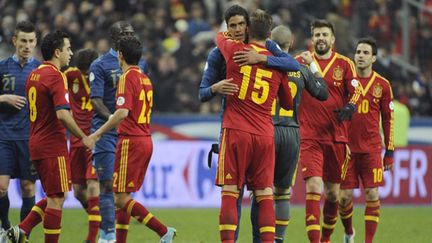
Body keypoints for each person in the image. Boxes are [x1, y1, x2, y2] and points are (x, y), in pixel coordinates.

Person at [198, 4, 299, 242]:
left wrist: (259, 56)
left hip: (236, 130)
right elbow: (287, 102)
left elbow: (219, 37)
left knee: (231, 192)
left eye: (240, 24)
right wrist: (214, 87)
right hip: (264, 133)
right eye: (231, 25)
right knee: (265, 193)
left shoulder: (231, 50)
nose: (235, 29)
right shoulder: (275, 59)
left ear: (248, 26)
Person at [5, 30, 94, 243]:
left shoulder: (33, 75)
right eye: (68, 48)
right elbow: (63, 114)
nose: (71, 53)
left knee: (56, 194)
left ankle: (21, 230)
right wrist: (84, 137)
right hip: (52, 145)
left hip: (36, 142)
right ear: (57, 52)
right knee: (57, 198)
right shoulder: (56, 76)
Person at [242, 25, 329, 243]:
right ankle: (278, 240)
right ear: (291, 44)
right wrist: (313, 65)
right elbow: (323, 92)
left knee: (261, 191)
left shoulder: (261, 64)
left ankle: (259, 239)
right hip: (291, 133)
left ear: (270, 39)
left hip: (265, 130)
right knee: (282, 193)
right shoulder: (298, 68)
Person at [88, 36, 176, 243]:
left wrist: (97, 133)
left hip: (131, 141)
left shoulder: (126, 78)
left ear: (120, 55)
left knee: (120, 197)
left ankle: (163, 231)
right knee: (123, 196)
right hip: (145, 138)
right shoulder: (145, 78)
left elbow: (122, 113)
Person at [298, 19, 361, 243]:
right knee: (314, 186)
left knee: (333, 194)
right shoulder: (301, 62)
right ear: (312, 39)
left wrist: (351, 105)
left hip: (336, 137)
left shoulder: (344, 64)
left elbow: (356, 90)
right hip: (309, 137)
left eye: (325, 35)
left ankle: (327, 237)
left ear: (332, 40)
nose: (321, 39)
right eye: (317, 35)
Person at [89, 21, 149, 243]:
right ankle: (108, 234)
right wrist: (112, 121)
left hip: (129, 133)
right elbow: (95, 100)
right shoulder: (100, 65)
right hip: (106, 133)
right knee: (106, 183)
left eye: (132, 33)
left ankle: (120, 237)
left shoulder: (139, 63)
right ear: (114, 38)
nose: (130, 36)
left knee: (123, 190)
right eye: (125, 33)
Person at [339, 37, 394, 243]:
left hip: (371, 149)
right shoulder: (346, 82)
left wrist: (389, 152)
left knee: (372, 194)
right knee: (343, 198)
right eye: (358, 52)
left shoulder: (383, 85)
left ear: (373, 58)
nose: (360, 56)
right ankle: (349, 232)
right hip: (347, 149)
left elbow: (389, 119)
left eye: (365, 53)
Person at [0, 21, 40, 241]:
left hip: (29, 138)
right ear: (15, 41)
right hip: (4, 136)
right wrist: (3, 97)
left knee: (27, 188)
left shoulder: (40, 70)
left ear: (35, 43)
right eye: (23, 40)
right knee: (1, 188)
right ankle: (5, 227)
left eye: (31, 41)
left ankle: (23, 234)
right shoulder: (2, 67)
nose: (27, 45)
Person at [64, 48, 100, 243]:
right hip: (76, 139)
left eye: (88, 72)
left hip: (95, 137)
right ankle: (101, 220)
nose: (86, 75)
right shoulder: (70, 75)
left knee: (93, 185)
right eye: (83, 72)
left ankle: (92, 237)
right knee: (78, 191)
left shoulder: (101, 74)